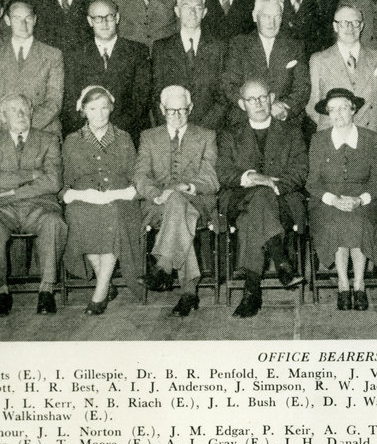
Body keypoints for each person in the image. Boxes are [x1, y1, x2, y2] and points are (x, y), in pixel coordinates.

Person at [217, 79, 308, 318]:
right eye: (251, 99)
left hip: (283, 202)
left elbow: (300, 171)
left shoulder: (291, 132)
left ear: (271, 98)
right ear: (241, 104)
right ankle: (281, 260)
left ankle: (251, 291)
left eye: (262, 97)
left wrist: (272, 184)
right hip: (239, 201)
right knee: (257, 197)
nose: (258, 103)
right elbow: (224, 173)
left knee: (255, 210)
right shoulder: (230, 135)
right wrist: (253, 177)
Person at [0, 93, 66, 316]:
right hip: (1, 210)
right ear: (2, 116)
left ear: (32, 112)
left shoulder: (49, 139)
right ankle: (0, 291)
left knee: (54, 222)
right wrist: (33, 174)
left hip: (40, 206)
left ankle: (46, 290)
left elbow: (53, 182)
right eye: (14, 110)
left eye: (24, 109)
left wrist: (13, 191)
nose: (21, 114)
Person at [135, 86, 219, 317]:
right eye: (171, 111)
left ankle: (163, 267)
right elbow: (140, 176)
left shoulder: (206, 136)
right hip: (158, 204)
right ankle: (189, 293)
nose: (177, 115)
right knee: (178, 214)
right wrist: (155, 194)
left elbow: (211, 178)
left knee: (179, 204)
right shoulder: (148, 137)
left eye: (182, 110)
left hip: (197, 201)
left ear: (190, 108)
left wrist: (187, 187)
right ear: (162, 109)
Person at [61, 86, 142, 314]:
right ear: (83, 110)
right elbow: (65, 181)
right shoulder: (71, 140)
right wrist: (77, 194)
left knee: (113, 214)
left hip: (119, 198)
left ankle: (99, 293)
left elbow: (135, 176)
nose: (99, 114)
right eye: (93, 108)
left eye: (104, 108)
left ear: (111, 109)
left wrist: (123, 192)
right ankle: (105, 282)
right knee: (77, 215)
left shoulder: (123, 138)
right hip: (83, 198)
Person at [306, 89, 377, 311]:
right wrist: (333, 199)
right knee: (336, 221)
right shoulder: (319, 140)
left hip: (364, 200)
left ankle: (358, 284)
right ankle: (342, 283)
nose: (337, 114)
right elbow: (312, 183)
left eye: (342, 108)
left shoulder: (371, 139)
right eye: (332, 110)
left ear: (353, 109)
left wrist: (360, 200)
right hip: (327, 202)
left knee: (359, 221)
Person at [61, 0, 152, 144]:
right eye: (98, 18)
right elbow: (71, 98)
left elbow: (141, 100)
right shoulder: (75, 54)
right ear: (90, 21)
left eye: (109, 17)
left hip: (127, 133)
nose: (104, 23)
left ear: (117, 18)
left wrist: (113, 131)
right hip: (87, 134)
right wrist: (93, 129)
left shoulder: (137, 51)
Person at [222, 0, 310, 128]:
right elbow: (230, 84)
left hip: (284, 123)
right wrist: (255, 106)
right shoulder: (238, 44)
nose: (272, 22)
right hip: (245, 122)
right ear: (255, 16)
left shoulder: (295, 46)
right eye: (266, 16)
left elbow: (302, 87)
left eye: (277, 16)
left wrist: (285, 106)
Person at [0, 0, 63, 136]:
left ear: (35, 20)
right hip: (2, 132)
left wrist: (24, 127)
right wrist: (8, 127)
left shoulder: (52, 55)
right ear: (7, 20)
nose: (23, 24)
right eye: (17, 18)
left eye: (28, 18)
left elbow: (54, 102)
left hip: (41, 131)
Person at [151, 0, 228, 131]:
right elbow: (156, 94)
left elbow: (222, 97)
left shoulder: (219, 47)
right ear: (177, 11)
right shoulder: (161, 47)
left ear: (204, 13)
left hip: (208, 131)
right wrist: (172, 126)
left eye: (198, 8)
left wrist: (201, 131)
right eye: (186, 7)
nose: (192, 13)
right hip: (170, 129)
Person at [307, 5, 377, 134]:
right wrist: (338, 129)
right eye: (344, 23)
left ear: (361, 26)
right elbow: (313, 106)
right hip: (333, 136)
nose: (350, 28)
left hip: (370, 135)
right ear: (335, 26)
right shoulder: (319, 60)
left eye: (355, 23)